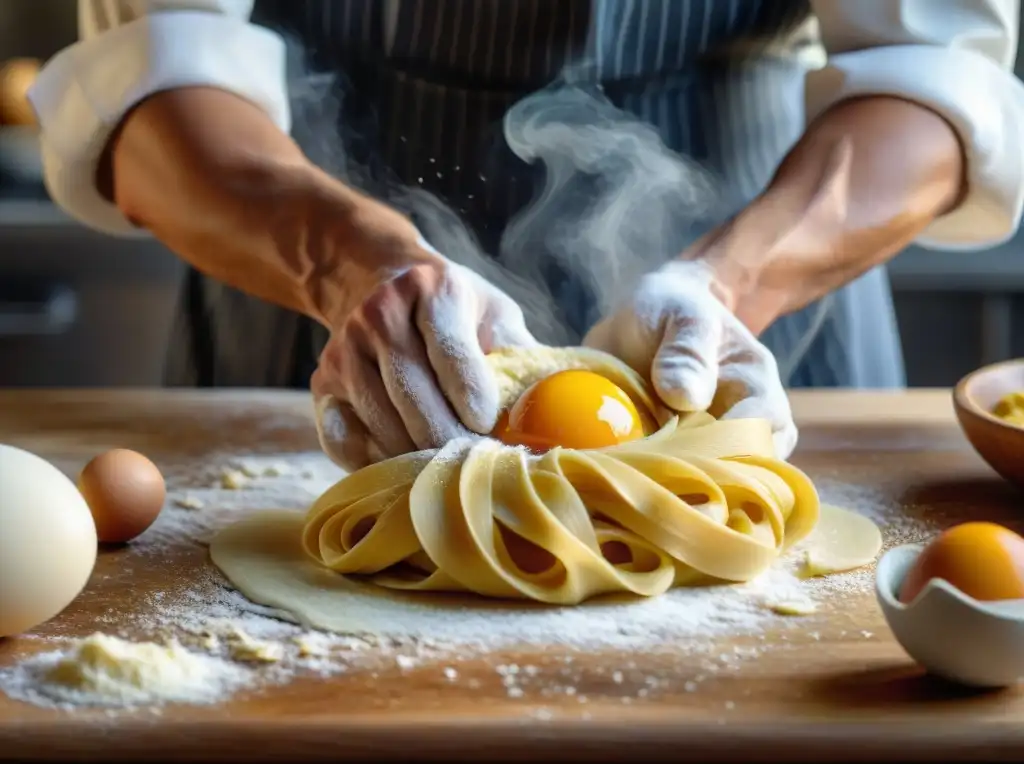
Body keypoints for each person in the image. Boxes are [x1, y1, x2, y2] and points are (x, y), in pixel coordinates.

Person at [29, 0, 1024, 468]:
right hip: (303, 277)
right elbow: (150, 80)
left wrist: (727, 287)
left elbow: (931, 76)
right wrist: (352, 265)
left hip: (774, 266)